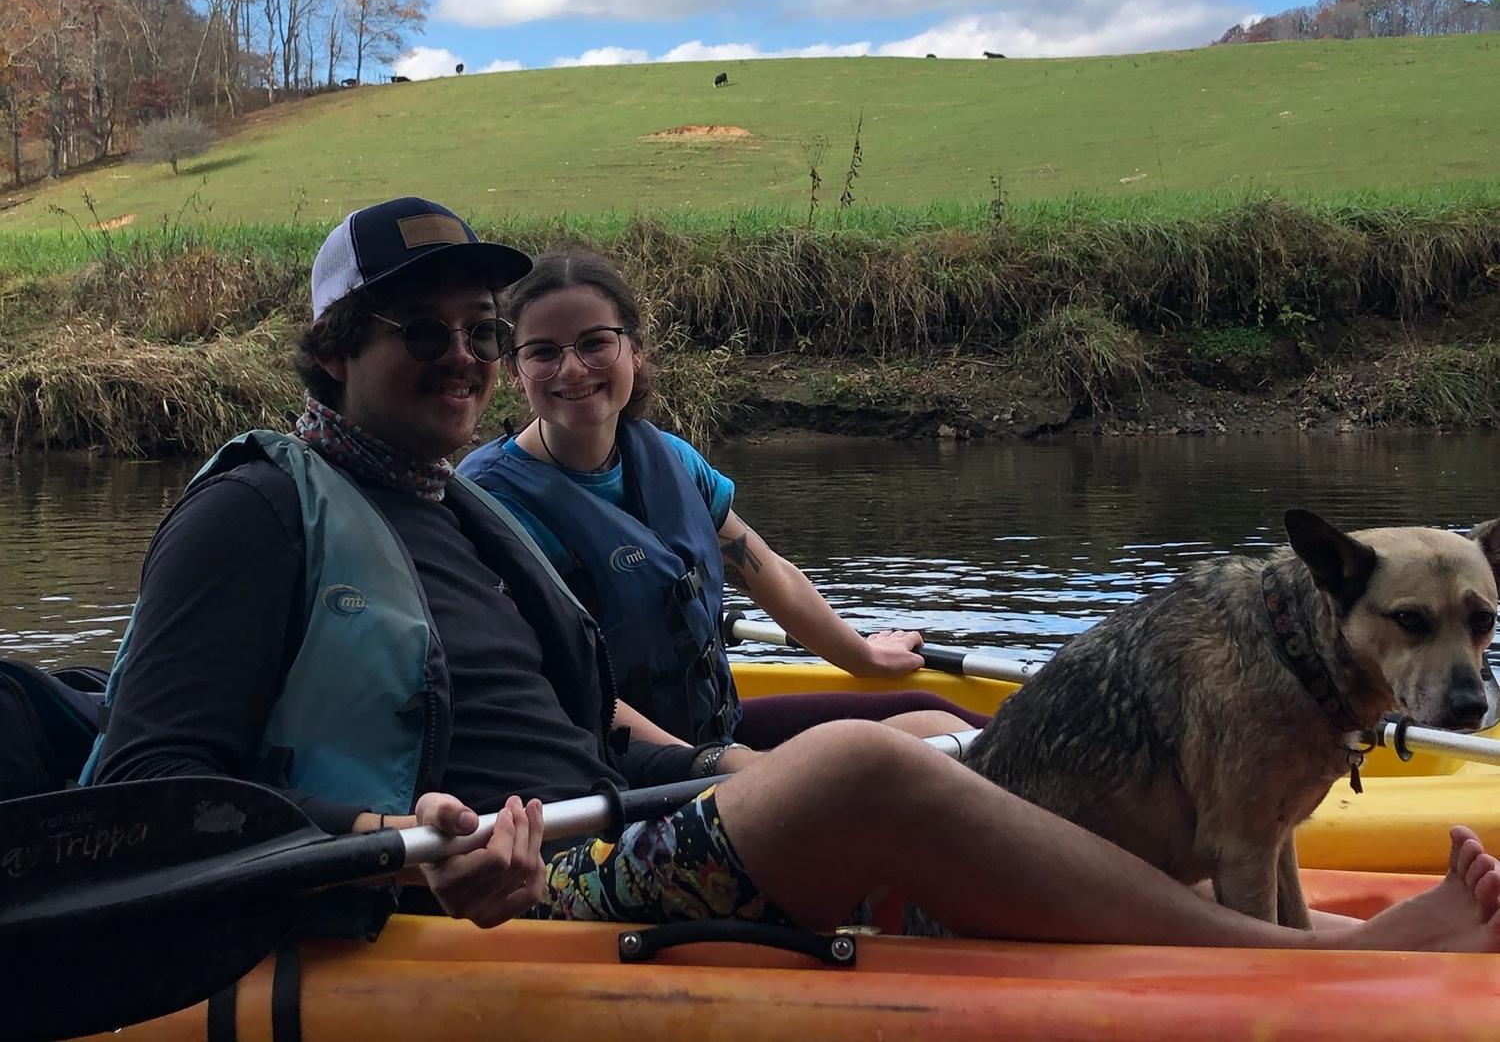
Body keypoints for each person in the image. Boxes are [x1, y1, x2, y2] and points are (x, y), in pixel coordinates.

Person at [86, 196, 1500, 952]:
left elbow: (597, 725)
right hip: (490, 897)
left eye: (475, 327)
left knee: (919, 742)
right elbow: (149, 798)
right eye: (419, 330)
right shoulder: (261, 511)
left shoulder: (456, 511)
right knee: (870, 776)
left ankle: (1136, 901)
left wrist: (716, 767)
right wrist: (392, 836)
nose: (463, 355)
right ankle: (1294, 965)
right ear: (331, 353)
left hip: (620, 817)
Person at [457, 248, 984, 749]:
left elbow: (763, 569)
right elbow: (555, 684)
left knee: (938, 720)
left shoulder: (672, 461)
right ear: (512, 370)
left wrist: (864, 656)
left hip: (712, 736)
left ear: (634, 351)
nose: (572, 369)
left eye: (595, 343)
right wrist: (722, 768)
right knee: (894, 752)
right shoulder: (491, 500)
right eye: (543, 352)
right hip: (616, 768)